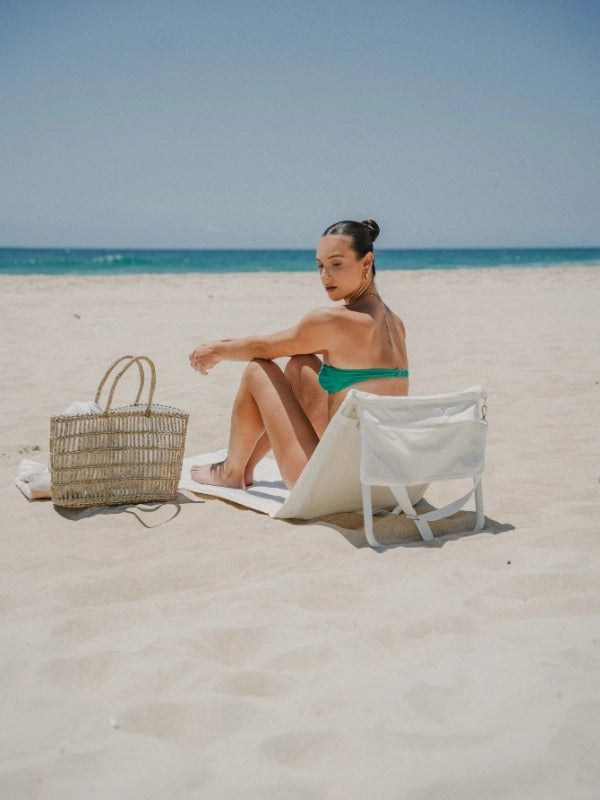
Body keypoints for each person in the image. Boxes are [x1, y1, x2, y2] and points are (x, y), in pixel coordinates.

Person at [189, 219, 409, 490]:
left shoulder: (332, 321)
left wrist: (218, 351)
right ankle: (247, 467)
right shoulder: (396, 324)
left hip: (332, 484)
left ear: (366, 262)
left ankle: (230, 471)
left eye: (336, 264)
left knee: (258, 369)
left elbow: (264, 349)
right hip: (381, 478)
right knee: (300, 364)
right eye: (320, 265)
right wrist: (225, 345)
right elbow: (279, 343)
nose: (325, 276)